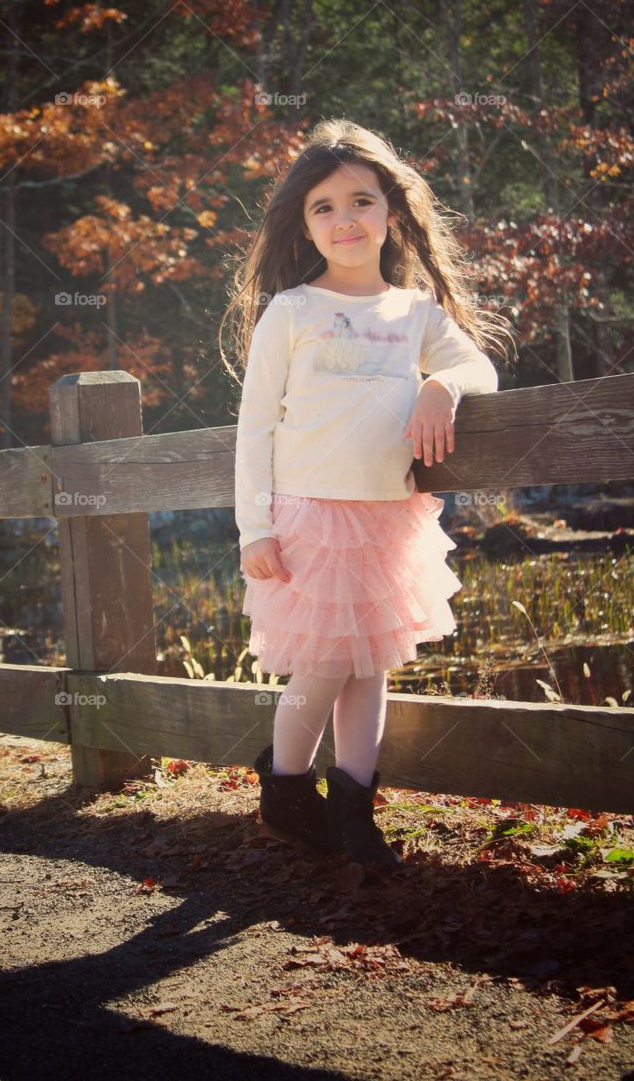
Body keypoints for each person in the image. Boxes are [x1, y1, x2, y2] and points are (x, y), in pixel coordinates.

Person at [220, 118, 516, 874]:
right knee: (320, 664)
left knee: (370, 667)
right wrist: (253, 527)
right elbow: (253, 431)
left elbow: (478, 367)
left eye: (360, 200)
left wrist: (441, 386)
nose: (344, 218)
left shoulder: (413, 313)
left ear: (390, 212)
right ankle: (285, 795)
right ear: (305, 224)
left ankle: (354, 811)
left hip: (389, 517)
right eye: (323, 206)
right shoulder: (290, 312)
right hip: (310, 517)